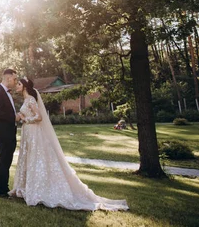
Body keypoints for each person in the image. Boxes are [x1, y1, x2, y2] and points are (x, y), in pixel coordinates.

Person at [10, 77, 129, 211]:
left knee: (36, 159)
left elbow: (39, 117)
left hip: (34, 133)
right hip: (28, 134)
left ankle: (38, 189)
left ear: (25, 86)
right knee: (29, 159)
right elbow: (22, 115)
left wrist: (26, 119)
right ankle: (26, 187)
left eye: (19, 84)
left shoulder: (31, 99)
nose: (16, 86)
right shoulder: (26, 100)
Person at [0, 68, 18, 198]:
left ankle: (5, 188)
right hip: (3, 133)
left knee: (7, 161)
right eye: (14, 79)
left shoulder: (7, 93)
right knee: (3, 161)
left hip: (10, 132)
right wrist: (14, 118)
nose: (15, 81)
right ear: (8, 78)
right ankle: (1, 191)